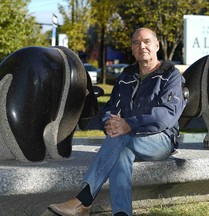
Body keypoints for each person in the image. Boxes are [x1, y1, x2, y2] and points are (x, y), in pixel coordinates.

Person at [48, 27, 186, 216]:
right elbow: (110, 108)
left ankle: (84, 200)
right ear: (132, 48)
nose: (141, 46)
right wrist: (109, 124)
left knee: (121, 139)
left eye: (146, 41)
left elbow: (166, 114)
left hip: (161, 139)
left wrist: (130, 124)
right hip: (128, 137)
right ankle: (121, 213)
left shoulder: (170, 74)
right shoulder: (126, 76)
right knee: (122, 153)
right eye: (136, 43)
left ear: (156, 45)